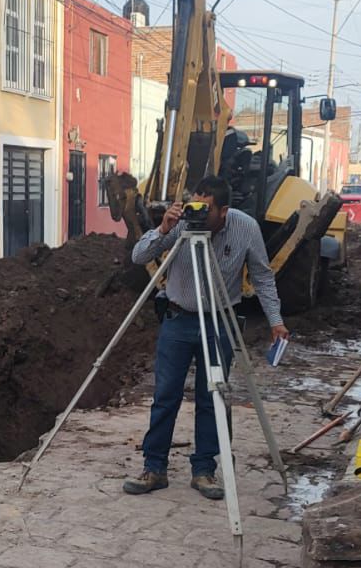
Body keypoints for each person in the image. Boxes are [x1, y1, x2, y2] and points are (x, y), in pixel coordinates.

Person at [123, 175, 288, 500]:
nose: (197, 213)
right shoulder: (182, 222)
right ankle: (154, 467)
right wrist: (164, 229)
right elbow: (138, 257)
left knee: (212, 397)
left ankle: (205, 470)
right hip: (177, 319)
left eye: (205, 209)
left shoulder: (245, 228)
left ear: (223, 212)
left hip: (219, 322)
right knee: (165, 396)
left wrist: (276, 320)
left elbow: (262, 277)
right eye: (193, 205)